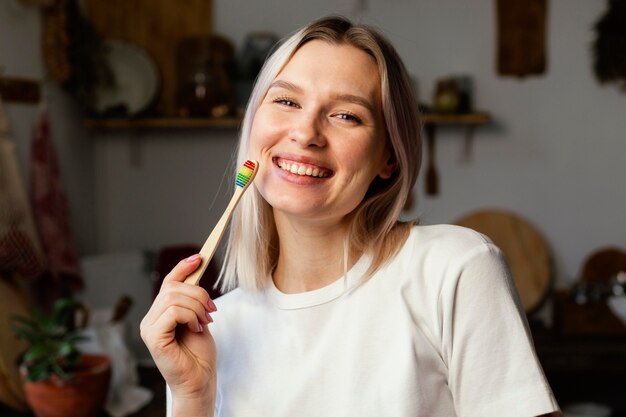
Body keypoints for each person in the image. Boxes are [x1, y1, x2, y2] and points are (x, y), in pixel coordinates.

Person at [140, 16, 561, 417]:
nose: (305, 133)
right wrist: (191, 395)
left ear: (389, 158)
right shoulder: (213, 328)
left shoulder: (454, 269)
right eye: (286, 101)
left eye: (346, 115)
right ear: (253, 126)